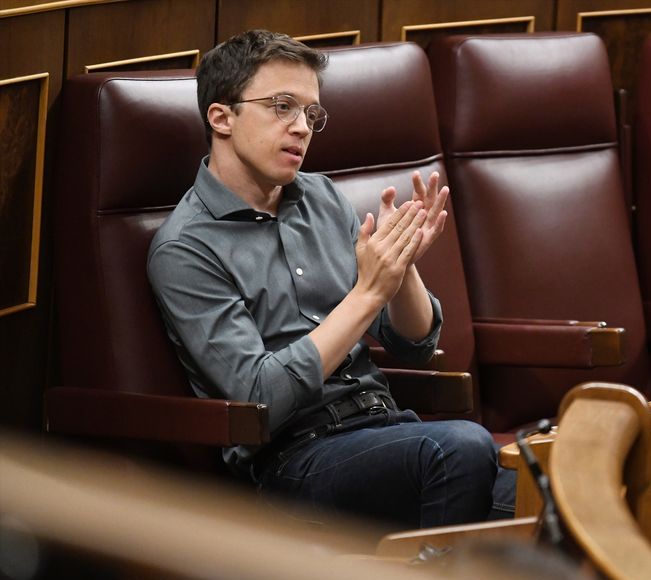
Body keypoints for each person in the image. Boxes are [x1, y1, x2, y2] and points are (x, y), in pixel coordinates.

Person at [148, 29, 512, 528]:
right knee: (462, 448)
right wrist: (368, 292)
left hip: (385, 427)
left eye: (311, 113)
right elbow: (260, 396)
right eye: (282, 107)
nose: (302, 128)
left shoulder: (321, 196)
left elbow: (415, 346)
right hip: (292, 460)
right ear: (222, 117)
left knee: (557, 487)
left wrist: (401, 265)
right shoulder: (185, 247)